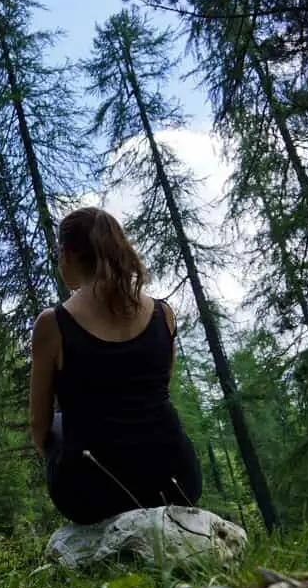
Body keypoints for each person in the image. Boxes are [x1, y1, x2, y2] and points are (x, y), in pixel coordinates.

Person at [29, 206, 202, 525]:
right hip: (178, 483)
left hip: (93, 497)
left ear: (66, 254)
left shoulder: (53, 324)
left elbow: (39, 429)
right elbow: (160, 388)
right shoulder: (163, 314)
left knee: (56, 422)